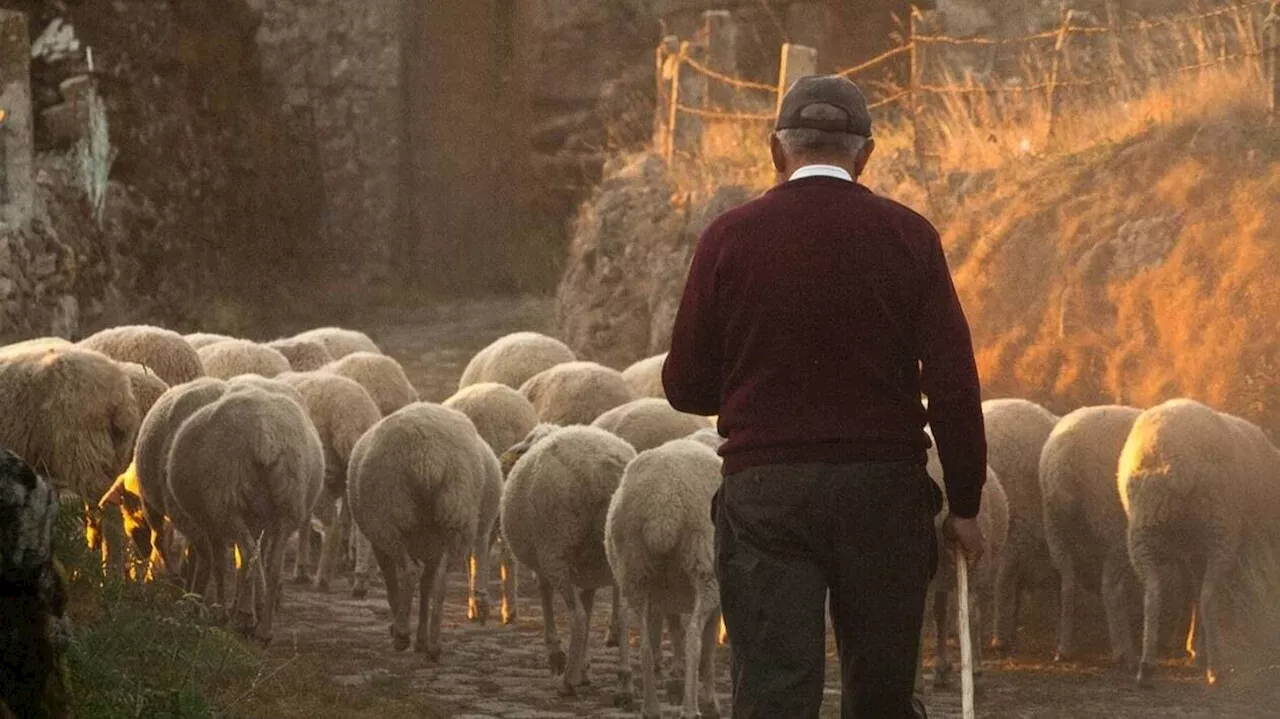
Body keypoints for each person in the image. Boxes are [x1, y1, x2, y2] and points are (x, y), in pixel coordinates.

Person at [662, 74, 988, 718]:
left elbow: (684, 385)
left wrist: (759, 385)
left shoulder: (729, 237)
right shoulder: (909, 236)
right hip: (883, 495)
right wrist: (967, 502)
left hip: (767, 495)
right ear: (865, 153)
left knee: (775, 689)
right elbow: (952, 383)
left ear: (775, 149)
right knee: (881, 690)